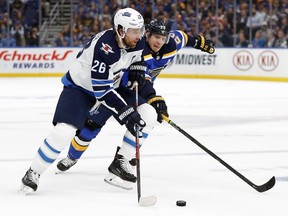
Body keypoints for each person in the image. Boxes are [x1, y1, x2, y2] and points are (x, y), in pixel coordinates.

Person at [56, 19, 215, 190]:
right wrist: (154, 98)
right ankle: (72, 156)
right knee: (91, 126)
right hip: (116, 88)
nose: (159, 42)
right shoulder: (139, 49)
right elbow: (144, 78)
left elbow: (184, 37)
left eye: (163, 38)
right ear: (147, 35)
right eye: (156, 37)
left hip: (137, 91)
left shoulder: (171, 43)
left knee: (145, 119)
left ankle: (123, 159)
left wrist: (199, 42)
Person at [19, 7, 150, 195]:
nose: (139, 36)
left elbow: (138, 55)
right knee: (64, 131)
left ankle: (121, 161)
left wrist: (139, 64)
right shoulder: (105, 48)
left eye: (140, 30)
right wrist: (125, 111)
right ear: (120, 30)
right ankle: (33, 172)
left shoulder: (136, 41)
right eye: (134, 31)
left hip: (111, 84)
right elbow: (102, 91)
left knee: (148, 114)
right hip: (80, 89)